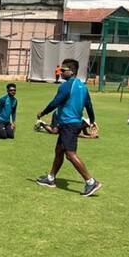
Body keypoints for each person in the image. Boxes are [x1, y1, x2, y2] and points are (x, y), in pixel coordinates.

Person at [35, 59, 102, 197]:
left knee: (70, 155)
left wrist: (43, 113)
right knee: (59, 150)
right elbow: (89, 105)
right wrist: (92, 121)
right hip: (73, 123)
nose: (61, 72)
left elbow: (56, 102)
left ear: (72, 71)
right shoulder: (82, 87)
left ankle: (91, 182)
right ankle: (51, 178)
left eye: (63, 70)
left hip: (69, 124)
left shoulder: (67, 86)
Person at [34, 111, 99, 139]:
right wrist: (89, 137)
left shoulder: (84, 124)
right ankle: (41, 123)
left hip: (63, 116)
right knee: (54, 131)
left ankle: (43, 125)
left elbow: (85, 133)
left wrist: (92, 135)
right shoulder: (80, 123)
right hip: (58, 115)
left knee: (61, 131)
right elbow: (76, 134)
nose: (88, 127)